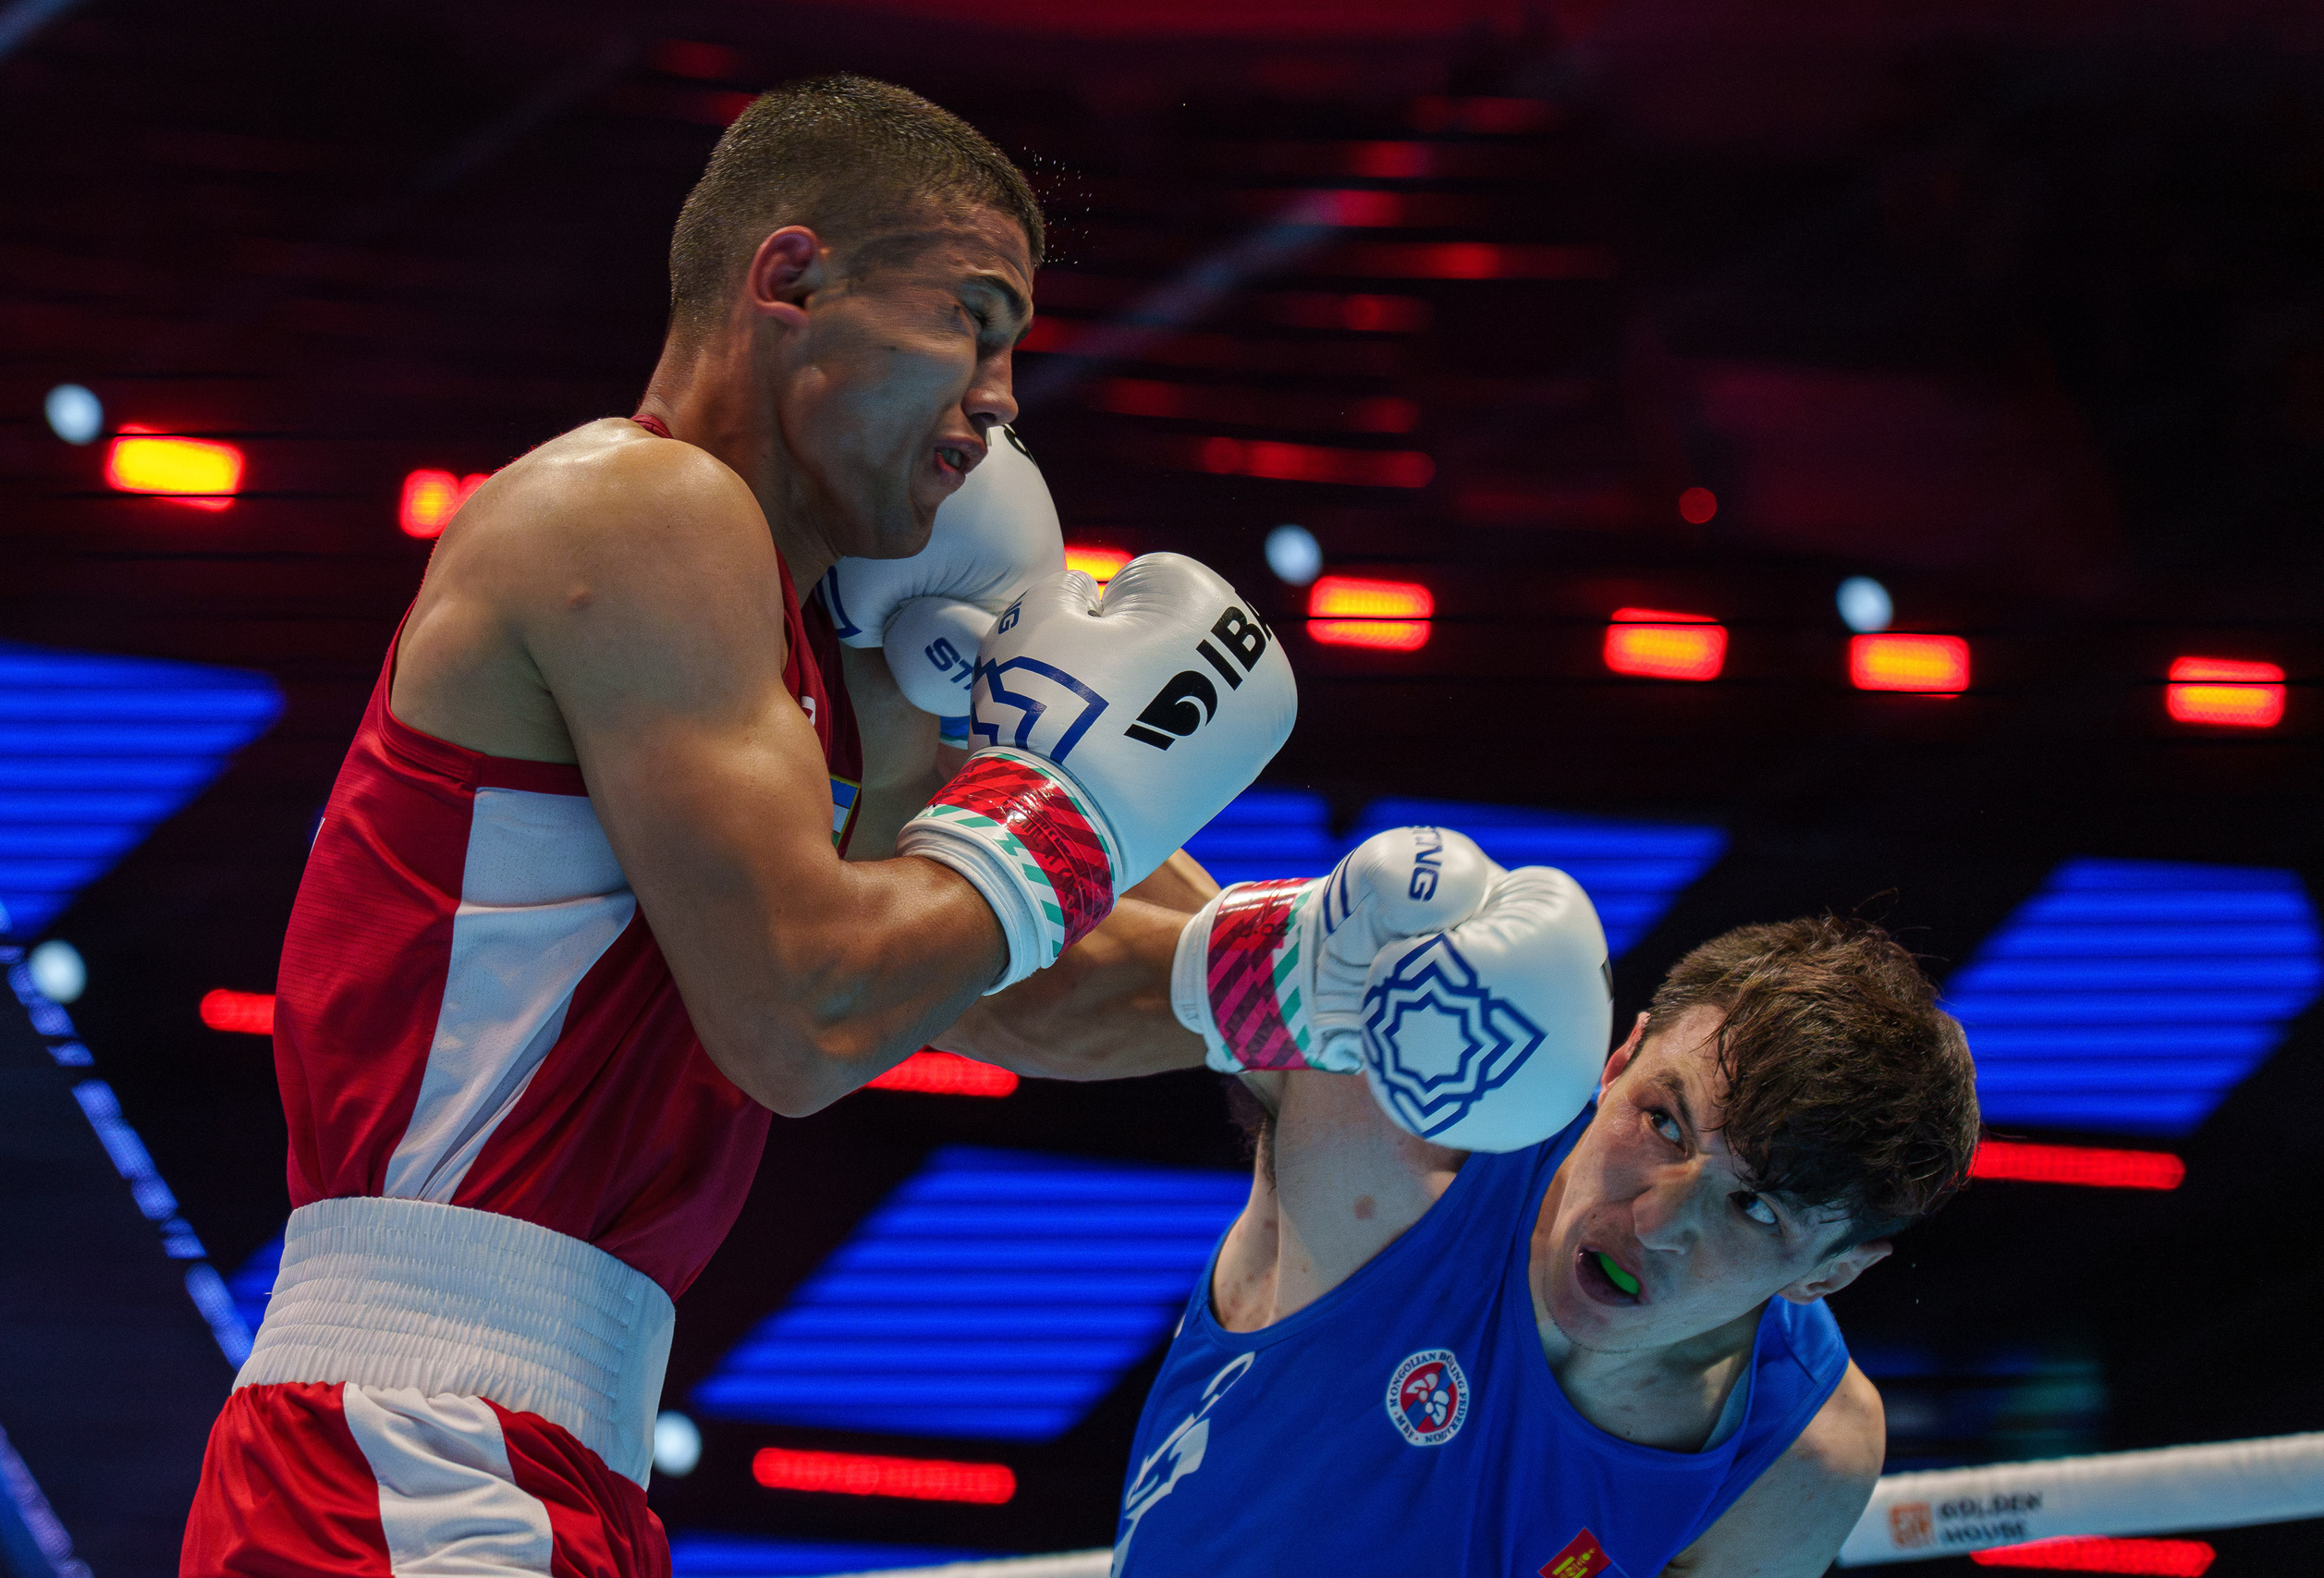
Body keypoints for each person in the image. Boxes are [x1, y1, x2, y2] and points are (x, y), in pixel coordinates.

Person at [178, 75, 1306, 1574]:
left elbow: (953, 964)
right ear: (791, 278)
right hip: (413, 1440)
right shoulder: (638, 506)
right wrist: (1071, 797)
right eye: (975, 317)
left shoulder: (795, 644)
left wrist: (1298, 976)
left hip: (516, 1451)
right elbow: (805, 1014)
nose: (1003, 394)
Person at [1116, 908, 1982, 1578]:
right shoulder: (1410, 1137)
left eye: (1755, 1210)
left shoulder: (1800, 1452)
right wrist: (1298, 930)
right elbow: (1071, 944)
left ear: (1830, 1271)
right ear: (1622, 1053)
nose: (1655, 1222)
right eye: (1664, 1123)